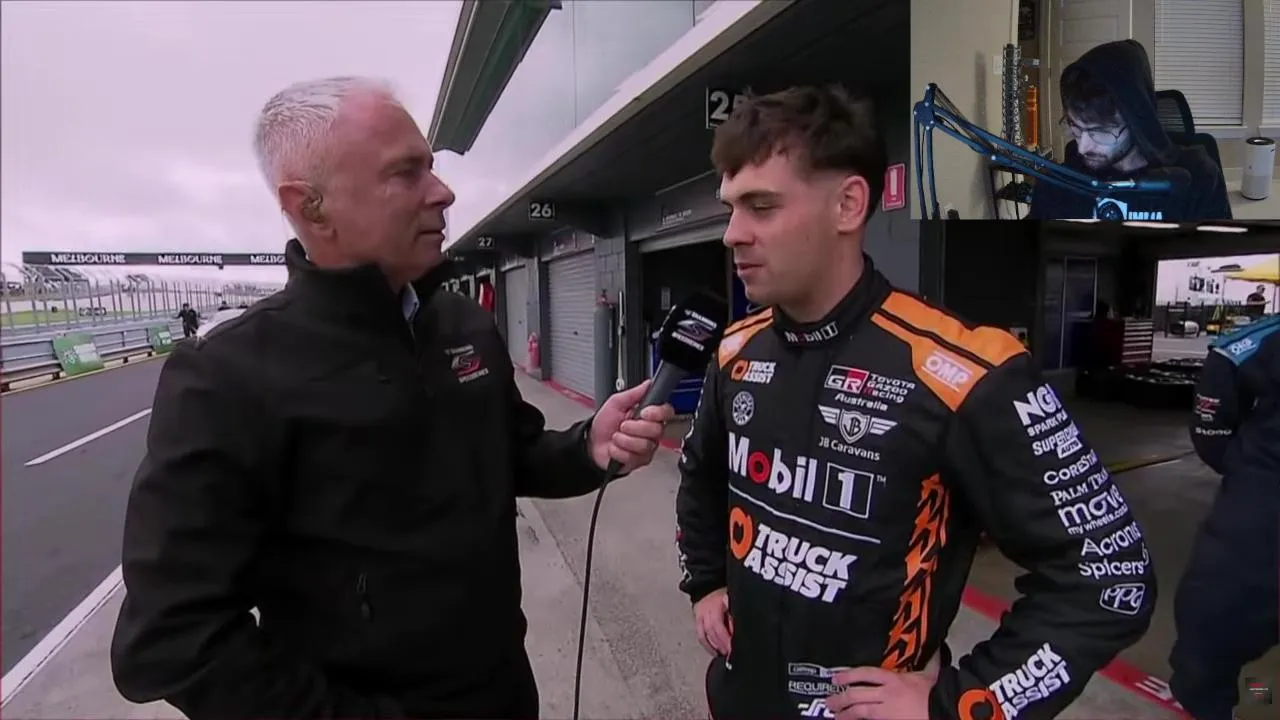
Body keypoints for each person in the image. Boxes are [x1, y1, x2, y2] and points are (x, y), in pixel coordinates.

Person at [109, 76, 675, 720]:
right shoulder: (227, 375)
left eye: (431, 166)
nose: (443, 191)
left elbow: (512, 453)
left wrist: (586, 448)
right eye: (406, 173)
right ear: (311, 207)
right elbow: (171, 638)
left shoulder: (462, 323)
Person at [674, 84, 1157, 720]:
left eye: (761, 206)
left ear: (848, 204)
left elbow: (1110, 574)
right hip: (738, 698)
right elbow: (701, 477)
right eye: (731, 207)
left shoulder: (965, 372)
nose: (733, 234)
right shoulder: (736, 349)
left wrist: (958, 704)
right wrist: (705, 581)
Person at [1172, 313, 1280, 720]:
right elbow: (1227, 360)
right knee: (1214, 619)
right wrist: (1246, 471)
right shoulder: (1261, 343)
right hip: (1266, 497)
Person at [1027, 39, 1231, 222]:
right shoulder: (1063, 185)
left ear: (1137, 121)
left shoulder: (1198, 179)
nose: (1083, 147)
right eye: (1075, 127)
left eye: (1101, 131)